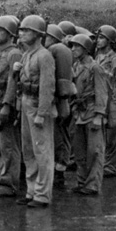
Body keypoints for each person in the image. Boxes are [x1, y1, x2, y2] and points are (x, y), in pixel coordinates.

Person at [13, 15, 56, 208]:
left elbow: (47, 87)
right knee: (28, 150)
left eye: (26, 31)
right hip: (25, 103)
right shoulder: (27, 54)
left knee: (42, 151)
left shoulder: (44, 56)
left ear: (38, 34)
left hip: (38, 105)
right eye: (21, 30)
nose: (21, 34)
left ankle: (42, 194)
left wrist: (42, 113)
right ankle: (31, 191)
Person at [0, 16, 23, 198]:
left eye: (0, 30)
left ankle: (9, 183)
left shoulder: (13, 54)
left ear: (10, 34)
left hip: (4, 104)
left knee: (8, 145)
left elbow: (13, 82)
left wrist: (7, 105)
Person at [69, 34, 109, 195]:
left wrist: (99, 116)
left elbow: (102, 92)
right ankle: (82, 181)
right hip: (79, 112)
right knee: (79, 150)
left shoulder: (95, 68)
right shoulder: (76, 66)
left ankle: (92, 184)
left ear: (85, 49)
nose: (73, 49)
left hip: (92, 112)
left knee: (94, 151)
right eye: (72, 46)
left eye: (77, 47)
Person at [44, 24, 75, 188]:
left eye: (47, 36)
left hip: (59, 100)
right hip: (53, 99)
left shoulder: (59, 50)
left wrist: (62, 100)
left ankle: (60, 171)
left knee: (60, 137)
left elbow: (63, 80)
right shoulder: (53, 51)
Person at [95, 25, 116, 178]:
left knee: (113, 133)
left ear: (109, 41)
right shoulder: (97, 55)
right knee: (101, 133)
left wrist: (115, 103)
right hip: (99, 99)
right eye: (98, 38)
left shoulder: (115, 59)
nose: (98, 41)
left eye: (102, 38)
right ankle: (102, 163)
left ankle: (111, 166)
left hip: (111, 99)